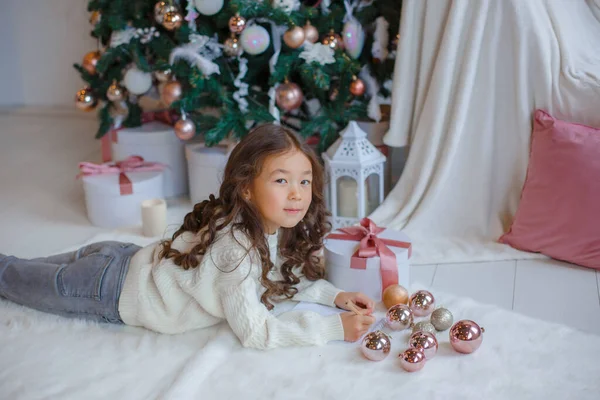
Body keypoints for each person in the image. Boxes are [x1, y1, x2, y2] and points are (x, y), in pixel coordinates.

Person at [0, 123, 376, 349]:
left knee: (21, 270)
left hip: (121, 258)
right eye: (281, 180)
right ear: (246, 188)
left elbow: (277, 277)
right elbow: (257, 333)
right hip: (109, 289)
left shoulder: (259, 226)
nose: (297, 193)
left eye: (304, 181)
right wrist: (332, 328)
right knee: (11, 277)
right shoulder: (239, 249)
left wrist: (335, 296)